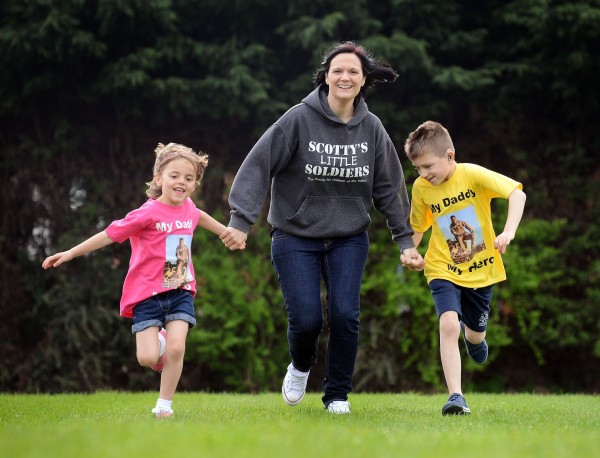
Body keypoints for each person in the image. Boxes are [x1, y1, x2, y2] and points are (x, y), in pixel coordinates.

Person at [220, 41, 424, 414]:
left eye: (353, 72)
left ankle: (338, 395)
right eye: (338, 70)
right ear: (326, 77)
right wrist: (241, 220)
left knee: (345, 315)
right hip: (294, 235)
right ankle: (300, 366)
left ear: (363, 81)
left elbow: (389, 187)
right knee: (307, 318)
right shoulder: (298, 119)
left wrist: (405, 240)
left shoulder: (372, 129)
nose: (345, 76)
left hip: (348, 237)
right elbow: (258, 164)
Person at [42, 142, 245, 418]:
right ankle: (160, 344)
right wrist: (71, 253)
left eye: (189, 179)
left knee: (178, 347)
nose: (181, 183)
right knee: (147, 358)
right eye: (174, 176)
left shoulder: (188, 208)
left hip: (179, 288)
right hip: (147, 294)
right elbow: (109, 234)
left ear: (194, 184)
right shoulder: (146, 213)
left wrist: (227, 233)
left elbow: (200, 217)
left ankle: (164, 407)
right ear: (159, 178)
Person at [401, 120, 526, 415]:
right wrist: (411, 251)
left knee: (474, 335)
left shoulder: (472, 175)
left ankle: (475, 338)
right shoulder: (421, 188)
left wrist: (508, 232)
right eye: (418, 169)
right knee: (447, 322)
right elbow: (417, 228)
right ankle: (456, 396)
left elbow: (517, 194)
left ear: (449, 156)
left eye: (428, 166)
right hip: (442, 266)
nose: (423, 174)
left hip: (481, 270)